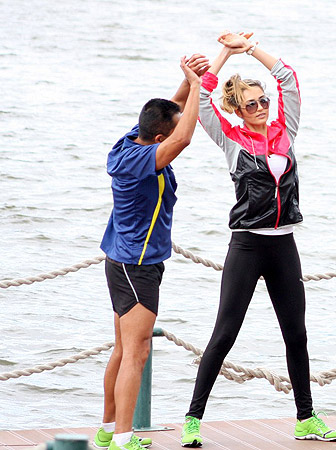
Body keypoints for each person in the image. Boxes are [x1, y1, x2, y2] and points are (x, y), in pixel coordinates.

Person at [179, 32, 336, 447]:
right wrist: (221, 55)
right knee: (224, 333)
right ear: (238, 109)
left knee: (297, 334)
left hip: (284, 244)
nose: (260, 107)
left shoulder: (285, 132)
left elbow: (288, 78)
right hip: (248, 246)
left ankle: (306, 418)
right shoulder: (231, 139)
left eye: (263, 100)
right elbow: (200, 100)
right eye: (250, 103)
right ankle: (193, 419)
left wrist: (250, 48)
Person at [93, 54, 209, 450]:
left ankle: (109, 430)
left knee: (125, 348)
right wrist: (196, 88)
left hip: (121, 260)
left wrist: (202, 72)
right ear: (158, 141)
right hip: (136, 264)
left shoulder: (131, 140)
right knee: (137, 352)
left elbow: (169, 115)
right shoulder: (146, 159)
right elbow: (183, 135)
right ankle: (124, 438)